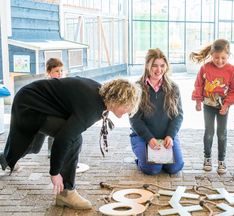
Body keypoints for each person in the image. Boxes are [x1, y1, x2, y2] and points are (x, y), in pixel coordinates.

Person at [0, 77, 140, 209]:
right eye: (126, 106)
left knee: (33, 147)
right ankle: (66, 193)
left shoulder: (101, 93)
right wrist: (54, 172)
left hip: (37, 100)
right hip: (30, 105)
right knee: (74, 140)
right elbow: (64, 139)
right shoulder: (91, 107)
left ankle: (4, 159)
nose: (127, 111)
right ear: (117, 99)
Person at [129, 48, 184, 175]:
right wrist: (149, 138)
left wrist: (170, 135)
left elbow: (178, 115)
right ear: (147, 66)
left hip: (166, 136)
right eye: (154, 65)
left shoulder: (173, 88)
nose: (159, 70)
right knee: (152, 169)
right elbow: (134, 119)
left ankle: (161, 159)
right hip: (143, 137)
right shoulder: (137, 88)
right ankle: (142, 159)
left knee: (175, 168)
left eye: (162, 65)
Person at [191, 39, 234, 174]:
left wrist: (227, 104)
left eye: (223, 58)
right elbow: (199, 84)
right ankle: (207, 158)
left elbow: (233, 90)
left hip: (223, 107)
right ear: (212, 54)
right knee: (209, 132)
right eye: (216, 57)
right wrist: (198, 101)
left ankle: (221, 160)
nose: (219, 60)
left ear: (228, 55)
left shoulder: (232, 70)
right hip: (208, 106)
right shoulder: (205, 68)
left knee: (222, 134)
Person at [46, 58, 64, 158]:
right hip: (50, 111)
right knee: (51, 133)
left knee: (59, 132)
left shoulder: (63, 82)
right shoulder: (47, 84)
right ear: (49, 72)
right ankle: (50, 151)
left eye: (61, 71)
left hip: (59, 110)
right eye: (56, 71)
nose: (60, 73)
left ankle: (58, 150)